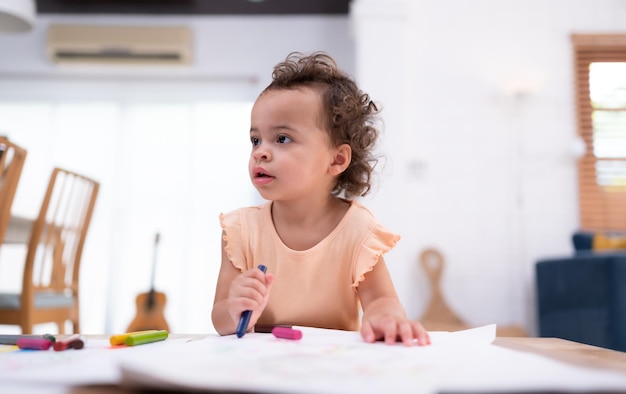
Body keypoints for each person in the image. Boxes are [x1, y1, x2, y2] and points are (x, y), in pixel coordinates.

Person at [211, 52, 431, 346]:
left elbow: (381, 301)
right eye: (255, 140)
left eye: (282, 139)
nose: (260, 152)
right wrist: (234, 307)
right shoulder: (241, 230)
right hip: (260, 371)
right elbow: (221, 319)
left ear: (337, 159)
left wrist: (385, 317)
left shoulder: (358, 231)